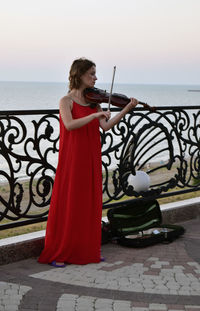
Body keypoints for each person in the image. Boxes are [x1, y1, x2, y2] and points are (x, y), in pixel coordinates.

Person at [38, 58, 138, 267]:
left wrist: (126, 108)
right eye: (91, 73)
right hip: (73, 158)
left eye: (95, 73)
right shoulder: (66, 101)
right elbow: (70, 125)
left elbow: (107, 126)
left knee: (88, 202)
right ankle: (60, 252)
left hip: (91, 156)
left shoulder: (95, 102)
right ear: (79, 75)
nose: (95, 77)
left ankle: (87, 249)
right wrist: (95, 116)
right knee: (70, 202)